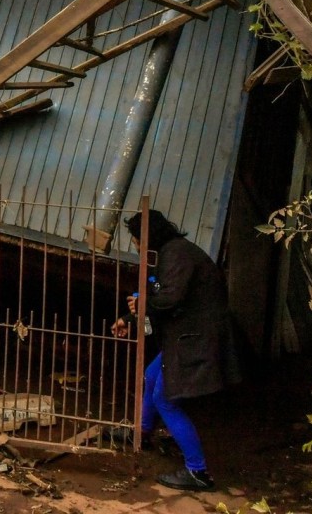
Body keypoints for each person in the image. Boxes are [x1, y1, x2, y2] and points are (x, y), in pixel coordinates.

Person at [112, 208, 240, 491]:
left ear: (147, 237)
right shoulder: (169, 254)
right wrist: (130, 317)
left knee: (166, 400)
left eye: (136, 239)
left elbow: (167, 300)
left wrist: (141, 304)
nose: (134, 244)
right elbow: (155, 295)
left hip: (194, 338)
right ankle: (141, 433)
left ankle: (198, 472)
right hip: (186, 335)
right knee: (151, 375)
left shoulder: (177, 255)